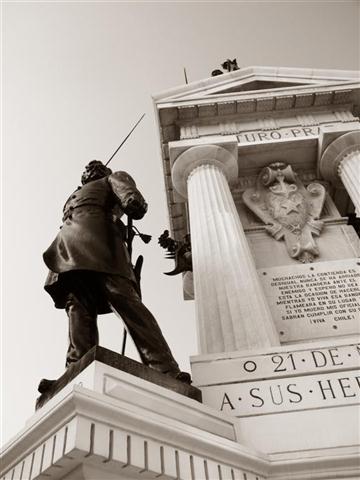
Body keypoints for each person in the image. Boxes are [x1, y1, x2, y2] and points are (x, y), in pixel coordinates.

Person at [43, 160, 190, 383]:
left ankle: (164, 369)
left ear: (104, 171)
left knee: (124, 299)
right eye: (86, 169)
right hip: (69, 247)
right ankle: (75, 371)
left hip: (101, 243)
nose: (89, 170)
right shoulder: (74, 195)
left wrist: (132, 201)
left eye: (95, 167)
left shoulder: (112, 178)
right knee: (77, 307)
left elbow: (132, 198)